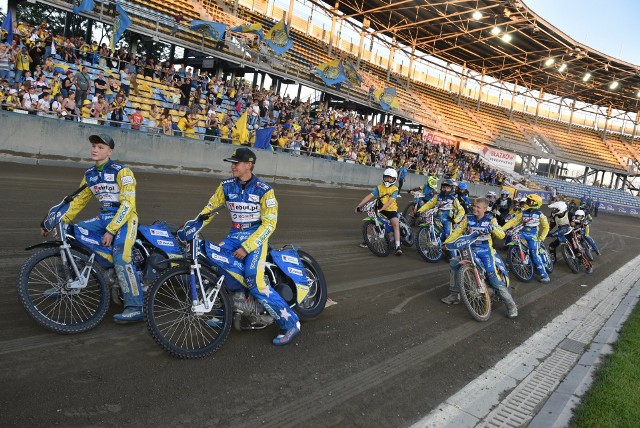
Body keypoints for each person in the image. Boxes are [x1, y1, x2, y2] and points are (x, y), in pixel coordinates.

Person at [188, 147, 300, 345]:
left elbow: (269, 224)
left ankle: (290, 322)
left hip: (256, 238)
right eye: (232, 163)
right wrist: (193, 225)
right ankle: (226, 311)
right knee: (217, 265)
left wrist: (247, 247)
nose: (232, 166)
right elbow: (209, 209)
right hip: (233, 236)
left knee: (254, 281)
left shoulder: (265, 190)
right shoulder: (226, 186)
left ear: (249, 165)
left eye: (236, 163)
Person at [40, 134, 144, 323]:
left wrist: (112, 229)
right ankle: (68, 283)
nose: (95, 149)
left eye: (101, 147)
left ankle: (135, 306)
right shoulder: (90, 174)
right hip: (103, 217)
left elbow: (128, 204)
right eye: (94, 146)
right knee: (69, 233)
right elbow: (77, 202)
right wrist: (54, 222)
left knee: (122, 256)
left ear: (110, 152)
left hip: (126, 218)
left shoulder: (123, 172)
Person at [442, 197, 517, 318]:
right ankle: (454, 296)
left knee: (493, 278)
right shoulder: (468, 218)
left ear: (485, 209)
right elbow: (458, 231)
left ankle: (511, 305)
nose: (475, 208)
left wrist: (492, 228)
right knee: (454, 264)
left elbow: (502, 235)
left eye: (478, 207)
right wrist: (446, 242)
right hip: (469, 249)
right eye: (474, 206)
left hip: (486, 251)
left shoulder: (490, 219)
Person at [503, 194, 551, 283]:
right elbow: (513, 221)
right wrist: (502, 229)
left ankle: (544, 275)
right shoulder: (523, 212)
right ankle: (508, 264)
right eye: (527, 201)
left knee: (534, 253)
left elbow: (546, 227)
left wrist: (541, 238)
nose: (527, 202)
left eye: (530, 201)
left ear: (536, 203)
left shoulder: (540, 214)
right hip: (522, 232)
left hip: (533, 235)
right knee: (513, 244)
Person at [355, 168, 403, 255]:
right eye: (386, 177)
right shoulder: (379, 187)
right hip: (380, 208)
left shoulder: (395, 189)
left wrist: (380, 210)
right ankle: (368, 240)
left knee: (396, 224)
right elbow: (369, 196)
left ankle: (398, 246)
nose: (388, 180)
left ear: (394, 179)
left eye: (390, 178)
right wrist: (359, 205)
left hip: (390, 209)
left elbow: (390, 202)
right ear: (383, 177)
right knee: (371, 220)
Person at [416, 178, 465, 242]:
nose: (445, 190)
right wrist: (419, 211)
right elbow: (429, 204)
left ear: (451, 189)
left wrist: (455, 220)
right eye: (444, 187)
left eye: (448, 188)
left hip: (447, 221)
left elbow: (461, 210)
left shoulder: (453, 198)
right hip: (437, 219)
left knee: (448, 239)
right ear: (441, 188)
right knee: (434, 232)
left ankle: (451, 251)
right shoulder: (438, 196)